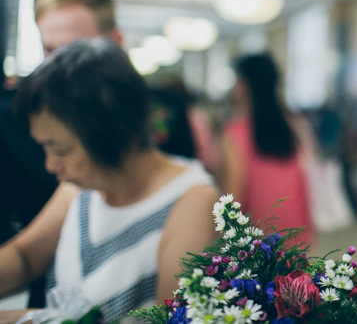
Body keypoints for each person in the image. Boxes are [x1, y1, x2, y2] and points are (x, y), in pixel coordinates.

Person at [0, 39, 219, 323]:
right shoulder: (82, 186)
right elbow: (25, 257)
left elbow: (171, 319)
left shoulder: (193, 204)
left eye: (61, 150)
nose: (50, 165)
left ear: (116, 136)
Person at [33, 0, 196, 160]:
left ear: (115, 41)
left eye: (74, 50)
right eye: (49, 49)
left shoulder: (165, 108)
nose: (58, 63)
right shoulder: (20, 117)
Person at [220, 53, 315, 246]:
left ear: (245, 85)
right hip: (294, 236)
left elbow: (232, 201)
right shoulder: (291, 127)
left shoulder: (235, 133)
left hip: (258, 246)